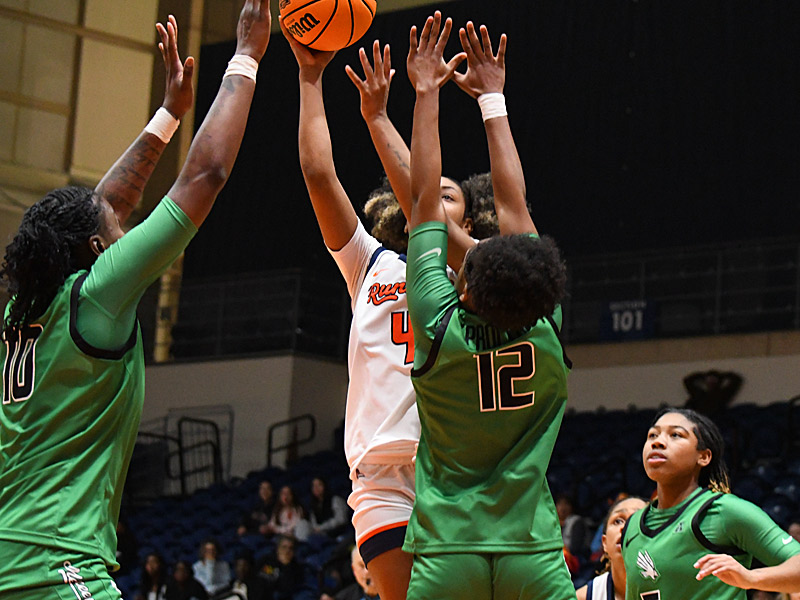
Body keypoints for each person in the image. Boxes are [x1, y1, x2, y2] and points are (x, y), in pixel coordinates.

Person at [0, 2, 271, 598]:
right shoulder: (95, 294)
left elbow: (102, 206)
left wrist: (170, 115)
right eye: (118, 234)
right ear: (98, 250)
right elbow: (205, 176)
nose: (128, 229)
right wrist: (246, 57)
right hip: (55, 566)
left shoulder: (24, 308)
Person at [281, 16, 484, 600]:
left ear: (466, 223)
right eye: (431, 190)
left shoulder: (474, 273)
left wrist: (386, 115)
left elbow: (420, 200)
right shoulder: (369, 264)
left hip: (451, 467)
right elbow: (320, 174)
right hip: (379, 476)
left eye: (450, 195)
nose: (430, 194)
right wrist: (309, 77)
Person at [403, 13, 573, 600]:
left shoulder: (438, 320)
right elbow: (513, 203)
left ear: (466, 286)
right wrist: (492, 102)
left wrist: (427, 94)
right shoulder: (546, 324)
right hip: (532, 549)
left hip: (448, 549)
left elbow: (424, 197)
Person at [622, 408, 800, 599]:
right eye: (652, 435)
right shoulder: (632, 525)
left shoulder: (724, 511)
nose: (657, 442)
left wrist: (750, 578)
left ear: (704, 457)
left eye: (676, 435)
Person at [575, 496, 648, 600]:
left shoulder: (674, 587)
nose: (625, 527)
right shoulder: (584, 597)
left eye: (637, 519)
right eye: (618, 521)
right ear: (605, 543)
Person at [257, 535, 305, 600]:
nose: (287, 551)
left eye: (291, 548)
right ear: (278, 549)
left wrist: (286, 566)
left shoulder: (297, 568)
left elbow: (287, 589)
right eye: (284, 547)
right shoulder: (266, 560)